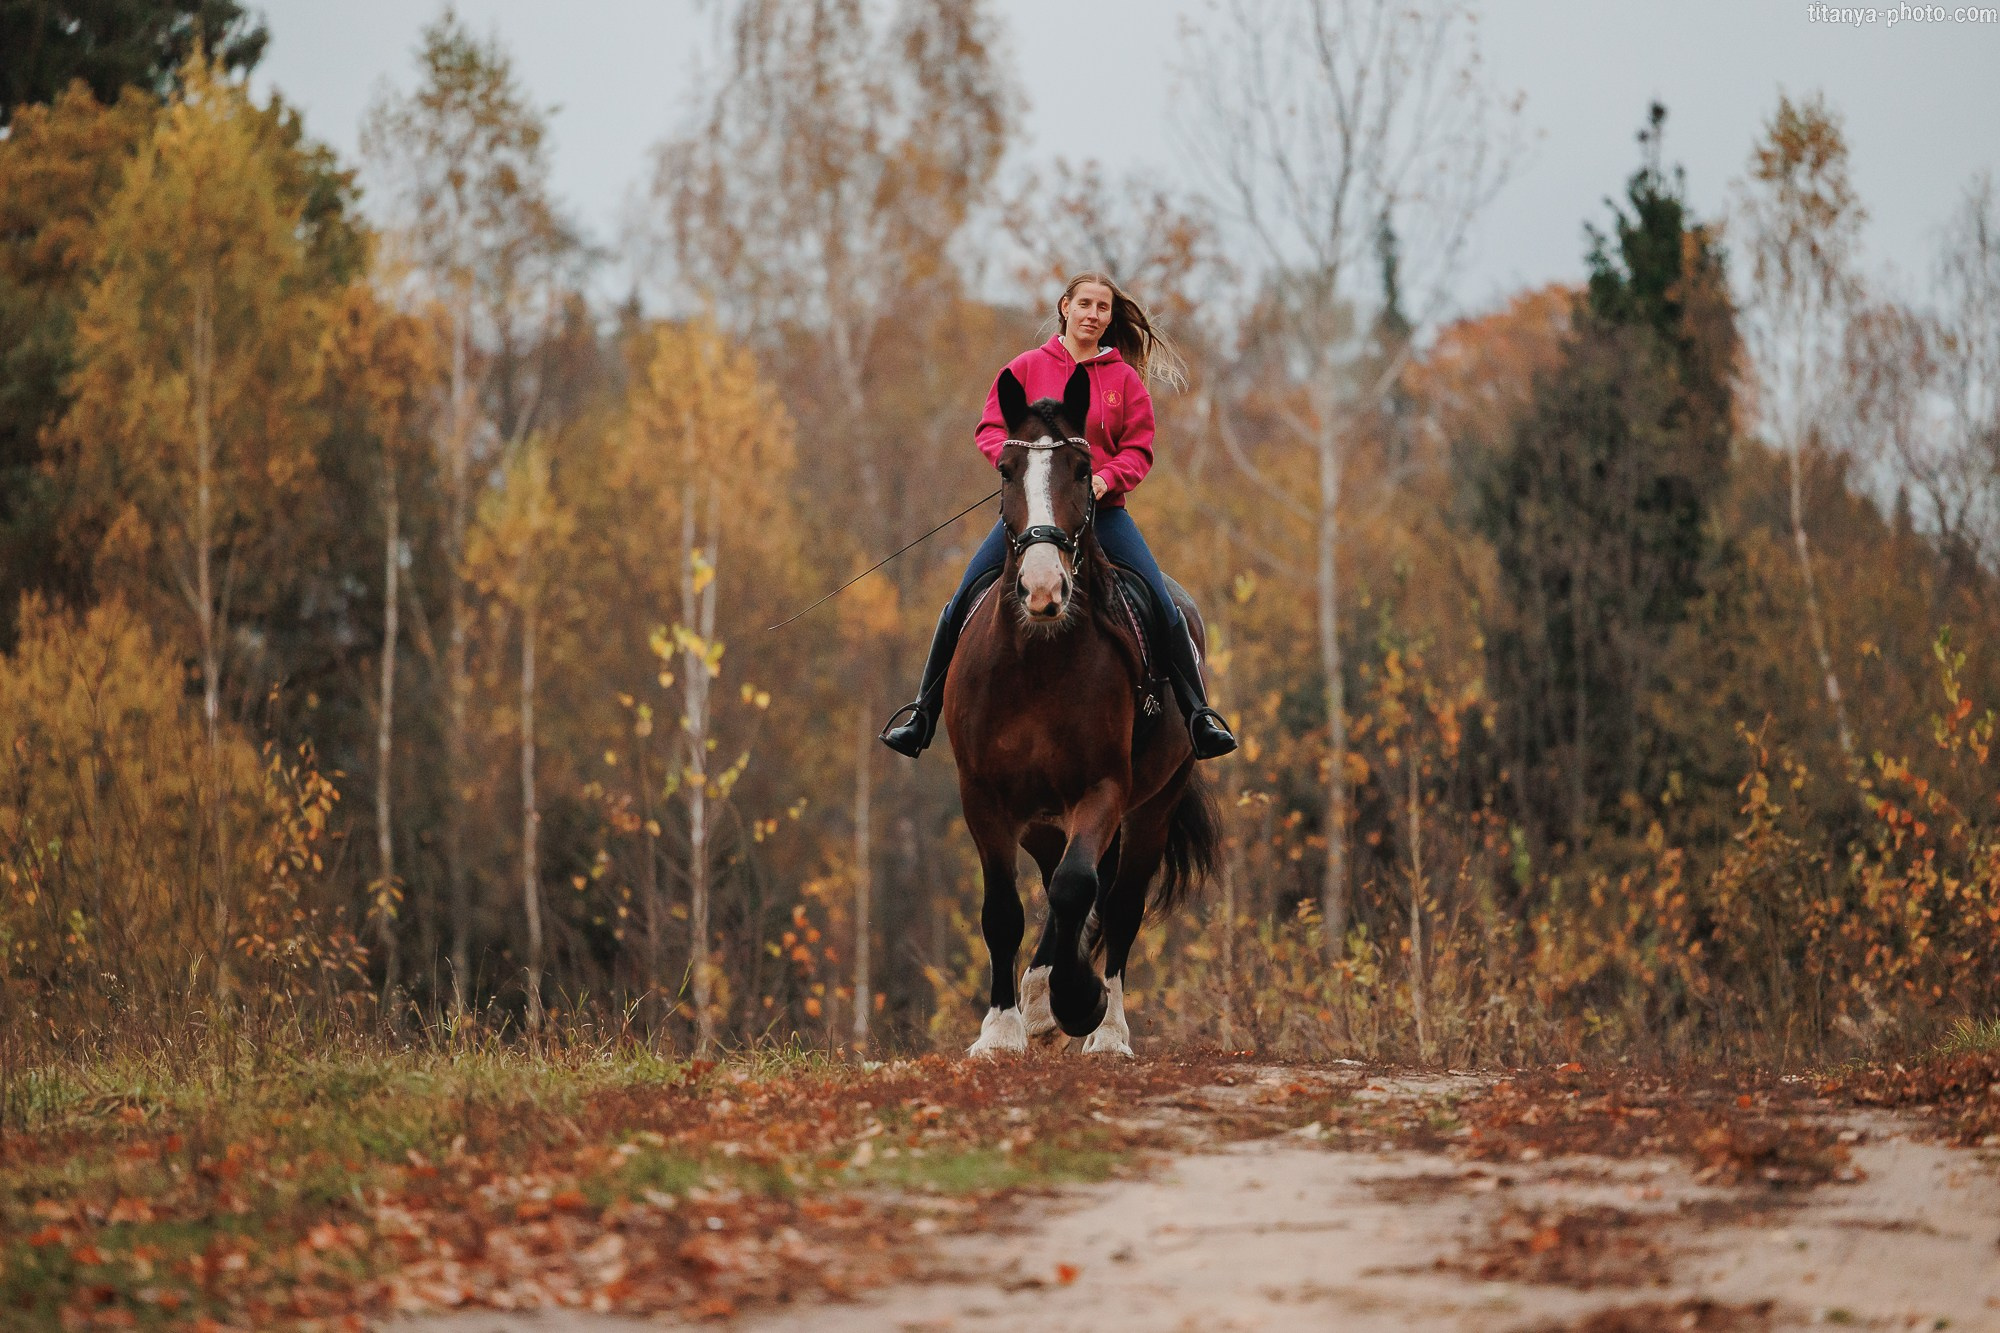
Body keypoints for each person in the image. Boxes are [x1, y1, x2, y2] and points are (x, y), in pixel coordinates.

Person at [880, 272, 1238, 761]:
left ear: (1110, 317)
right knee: (961, 598)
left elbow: (1139, 448)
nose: (1093, 315)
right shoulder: (1025, 368)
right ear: (1065, 307)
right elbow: (989, 428)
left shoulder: (1123, 381)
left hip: (1102, 514)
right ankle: (922, 714)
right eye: (1085, 304)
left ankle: (1198, 718)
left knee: (1163, 602)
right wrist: (1020, 466)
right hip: (1032, 516)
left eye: (1103, 308)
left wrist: (1105, 480)